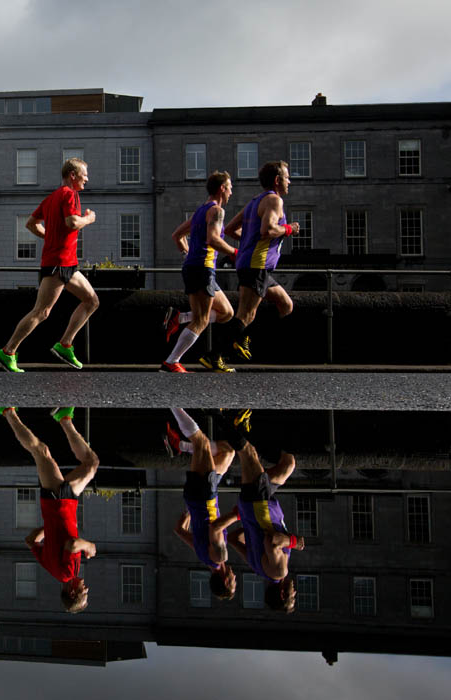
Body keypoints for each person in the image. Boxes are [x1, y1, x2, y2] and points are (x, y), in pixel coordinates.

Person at [0, 158, 99, 372]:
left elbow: (31, 224)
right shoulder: (70, 194)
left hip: (67, 263)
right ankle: (8, 351)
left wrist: (50, 237)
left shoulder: (52, 197)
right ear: (73, 175)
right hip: (58, 263)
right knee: (41, 311)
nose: (87, 178)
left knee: (91, 300)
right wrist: (89, 218)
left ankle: (65, 344)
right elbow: (72, 223)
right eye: (84, 174)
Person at [0, 406, 98, 612]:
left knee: (40, 451)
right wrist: (50, 528)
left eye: (83, 592)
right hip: (62, 504)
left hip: (59, 502)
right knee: (90, 464)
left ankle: (7, 411)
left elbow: (72, 544)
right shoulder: (53, 571)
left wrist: (89, 546)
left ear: (72, 592)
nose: (86, 587)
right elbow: (30, 541)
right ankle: (64, 419)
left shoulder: (68, 573)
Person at [212, 160, 299, 364]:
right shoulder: (274, 201)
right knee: (245, 315)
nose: (290, 182)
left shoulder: (254, 201)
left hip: (254, 265)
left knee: (286, 305)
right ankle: (215, 355)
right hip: (256, 264)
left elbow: (231, 229)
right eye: (287, 178)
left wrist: (250, 238)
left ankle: (246, 340)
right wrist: (289, 229)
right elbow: (267, 230)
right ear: (277, 180)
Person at [161, 171, 238, 373]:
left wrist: (188, 253)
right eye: (230, 187)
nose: (231, 192)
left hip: (197, 267)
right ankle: (171, 362)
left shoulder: (200, 212)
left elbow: (177, 235)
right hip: (202, 268)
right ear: (222, 188)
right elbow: (213, 239)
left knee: (227, 312)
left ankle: (180, 318)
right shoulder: (216, 212)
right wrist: (235, 252)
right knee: (202, 320)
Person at [226, 419, 304, 613]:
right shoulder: (258, 568)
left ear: (282, 595)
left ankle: (220, 416)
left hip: (259, 505)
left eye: (293, 597)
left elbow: (272, 542)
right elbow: (233, 539)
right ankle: (243, 426)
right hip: (257, 505)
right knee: (287, 464)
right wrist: (250, 526)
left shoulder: (280, 571)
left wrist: (294, 542)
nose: (295, 593)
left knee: (247, 452)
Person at [168, 408, 238, 599]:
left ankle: (171, 402)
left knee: (202, 443)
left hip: (205, 498)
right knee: (228, 452)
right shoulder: (204, 557)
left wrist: (237, 515)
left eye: (233, 582)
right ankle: (180, 447)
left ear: (225, 580)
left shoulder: (219, 557)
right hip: (195, 498)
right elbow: (179, 530)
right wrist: (190, 514)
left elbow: (215, 528)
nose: (235, 578)